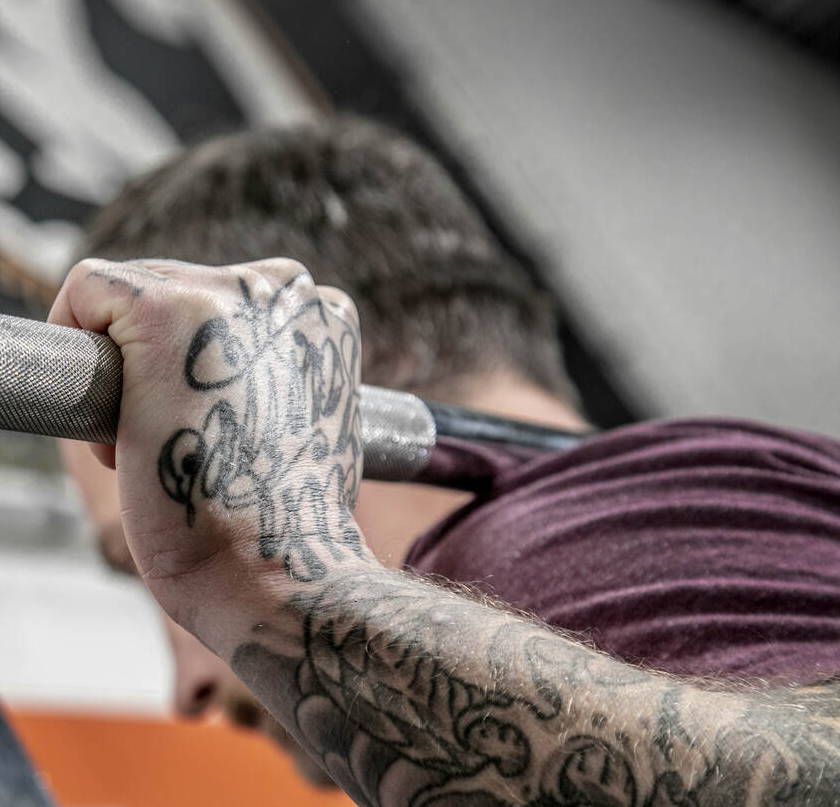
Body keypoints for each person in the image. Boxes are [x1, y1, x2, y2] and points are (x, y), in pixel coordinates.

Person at [54, 120, 840, 805]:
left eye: (166, 543)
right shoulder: (749, 485)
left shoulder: (551, 549)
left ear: (288, 407)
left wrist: (285, 586)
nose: (187, 688)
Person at [59, 117, 588, 783]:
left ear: (316, 384)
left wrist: (298, 589)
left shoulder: (662, 561)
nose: (190, 687)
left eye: (191, 532)